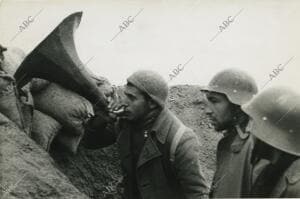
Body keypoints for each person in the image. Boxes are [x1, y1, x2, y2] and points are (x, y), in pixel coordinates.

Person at [83, 70, 209, 199]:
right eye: (125, 94)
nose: (124, 102)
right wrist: (102, 119)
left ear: (152, 104)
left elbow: (197, 193)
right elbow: (89, 142)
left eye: (132, 98)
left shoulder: (181, 139)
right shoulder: (125, 123)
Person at [201, 68, 258, 198]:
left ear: (237, 104)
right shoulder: (229, 142)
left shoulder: (255, 146)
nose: (207, 111)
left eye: (214, 101)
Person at [242, 86, 300, 197]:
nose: (248, 130)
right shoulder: (267, 169)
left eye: (255, 124)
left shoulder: (296, 186)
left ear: (272, 132)